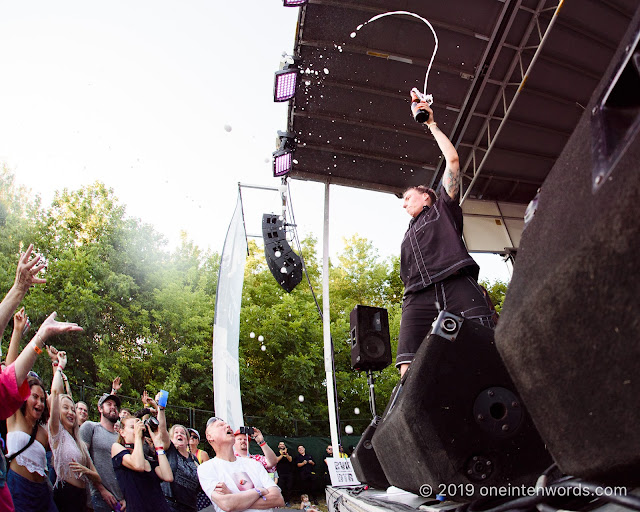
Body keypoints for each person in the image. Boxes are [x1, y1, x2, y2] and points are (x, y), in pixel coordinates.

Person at [397, 95, 496, 377]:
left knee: (487, 339)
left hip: (455, 282)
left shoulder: (443, 208)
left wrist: (431, 124)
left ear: (426, 197)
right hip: (416, 295)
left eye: (407, 197)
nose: (403, 204)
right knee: (407, 369)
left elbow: (452, 161)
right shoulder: (407, 235)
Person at [48, 351, 101, 511]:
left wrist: (87, 472)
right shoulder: (57, 433)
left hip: (82, 497)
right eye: (66, 408)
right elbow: (56, 393)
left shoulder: (80, 443)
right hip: (65, 495)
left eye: (73, 409)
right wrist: (59, 367)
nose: (71, 412)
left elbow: (97, 477)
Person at [197, 417, 283, 512]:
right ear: (209, 437)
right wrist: (259, 491)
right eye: (220, 425)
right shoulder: (206, 468)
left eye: (227, 424)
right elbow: (227, 504)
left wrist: (234, 497)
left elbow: (278, 499)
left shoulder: (254, 463)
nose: (227, 426)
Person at [111, 416, 173, 512]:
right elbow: (138, 465)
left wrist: (158, 446)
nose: (137, 430)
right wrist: (138, 437)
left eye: (139, 427)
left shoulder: (147, 459)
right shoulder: (117, 448)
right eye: (133, 427)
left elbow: (168, 477)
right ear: (122, 432)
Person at [152, 393, 200, 512]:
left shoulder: (194, 459)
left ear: (188, 439)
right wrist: (161, 409)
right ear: (171, 439)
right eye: (176, 433)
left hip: (191, 507)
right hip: (170, 505)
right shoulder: (170, 450)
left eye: (182, 433)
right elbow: (162, 430)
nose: (179, 434)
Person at [80, 393, 125, 512]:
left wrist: (125, 497)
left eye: (115, 405)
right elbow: (83, 459)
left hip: (121, 502)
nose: (113, 407)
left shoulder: (122, 437)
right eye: (109, 404)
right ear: (100, 408)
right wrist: (101, 489)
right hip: (99, 497)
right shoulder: (90, 427)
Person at [275, 441, 293, 506]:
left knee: (288, 487)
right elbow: (276, 460)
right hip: (280, 473)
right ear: (278, 446)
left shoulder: (288, 453)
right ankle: (280, 501)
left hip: (288, 473)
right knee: (280, 487)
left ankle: (287, 501)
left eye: (283, 444)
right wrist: (282, 454)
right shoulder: (276, 453)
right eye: (280, 444)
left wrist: (286, 454)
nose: (282, 445)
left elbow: (290, 460)